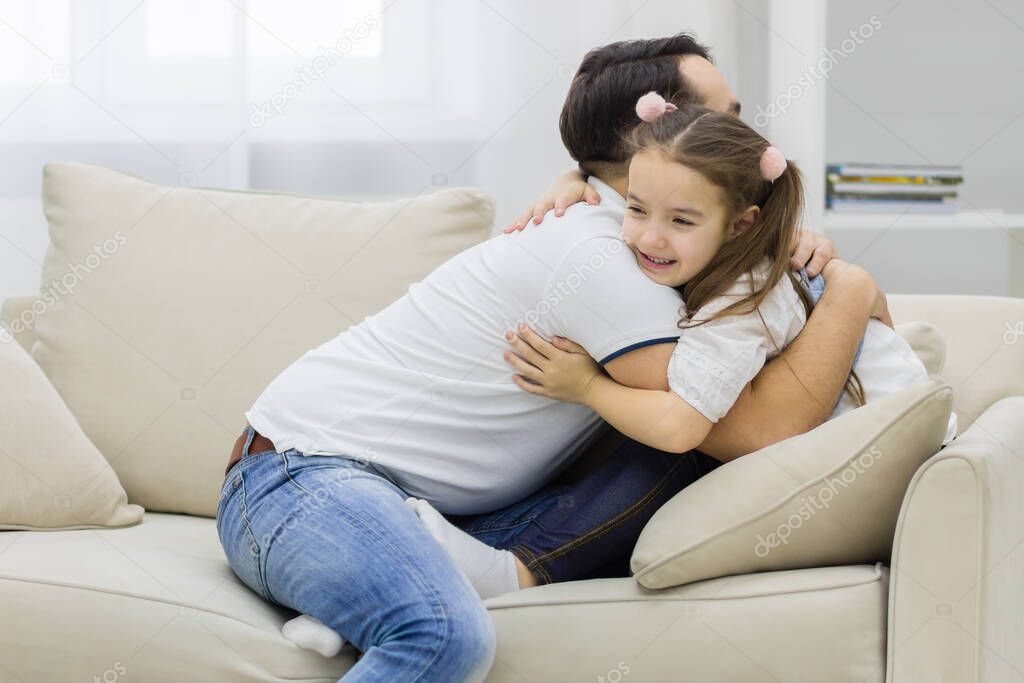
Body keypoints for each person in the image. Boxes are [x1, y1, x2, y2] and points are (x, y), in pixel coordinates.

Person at [216, 33, 886, 682]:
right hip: (300, 480)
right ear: (656, 134)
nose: (751, 143)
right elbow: (755, 433)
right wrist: (851, 288)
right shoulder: (600, 258)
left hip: (426, 506)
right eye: (726, 121)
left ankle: (371, 597)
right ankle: (405, 595)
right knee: (445, 639)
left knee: (656, 438)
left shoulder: (640, 242)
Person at [494, 94, 957, 455]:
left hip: (893, 455)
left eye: (681, 221)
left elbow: (680, 427)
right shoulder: (720, 257)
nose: (649, 238)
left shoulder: (741, 300)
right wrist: (571, 182)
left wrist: (587, 387)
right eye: (636, 208)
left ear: (740, 225)